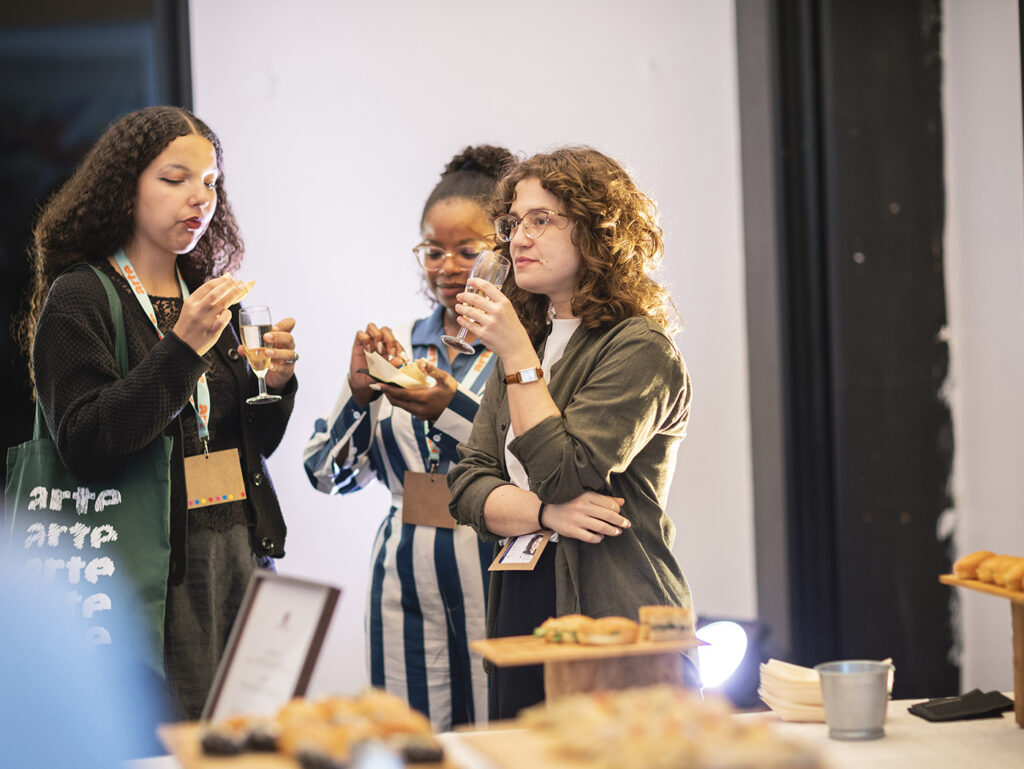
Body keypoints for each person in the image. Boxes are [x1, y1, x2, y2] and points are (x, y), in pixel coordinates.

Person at [17, 106, 298, 720]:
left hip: (239, 550)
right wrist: (182, 348)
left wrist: (276, 387)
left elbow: (246, 445)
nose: (201, 197)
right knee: (177, 742)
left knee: (252, 739)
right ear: (125, 188)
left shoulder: (207, 296)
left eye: (211, 181)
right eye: (176, 179)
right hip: (152, 567)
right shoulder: (82, 296)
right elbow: (86, 443)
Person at [446, 146, 698, 720]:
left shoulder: (639, 347)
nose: (518, 238)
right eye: (513, 223)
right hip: (522, 598)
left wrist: (515, 356)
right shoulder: (529, 343)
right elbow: (465, 486)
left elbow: (566, 473)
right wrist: (546, 515)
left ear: (596, 231)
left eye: (541, 220)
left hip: (615, 615)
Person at [303, 145, 513, 730]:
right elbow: (325, 475)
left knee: (500, 739)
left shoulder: (524, 349)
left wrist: (450, 408)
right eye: (433, 250)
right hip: (401, 583)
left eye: (467, 250)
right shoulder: (394, 348)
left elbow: (534, 461)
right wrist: (360, 396)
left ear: (503, 249)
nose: (447, 267)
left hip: (499, 574)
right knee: (409, 742)